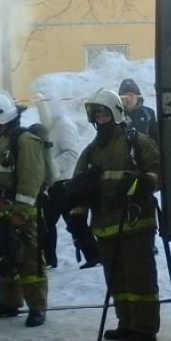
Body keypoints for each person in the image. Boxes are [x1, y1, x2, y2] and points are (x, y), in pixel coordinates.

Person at [67, 88, 162, 341]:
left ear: (115, 113)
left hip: (135, 223)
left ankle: (144, 330)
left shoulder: (137, 142)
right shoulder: (91, 151)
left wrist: (145, 182)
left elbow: (160, 172)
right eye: (95, 113)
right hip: (105, 227)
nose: (99, 116)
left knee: (139, 278)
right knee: (117, 280)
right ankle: (127, 323)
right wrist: (77, 217)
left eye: (104, 112)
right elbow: (79, 188)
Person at [0, 90, 49, 327]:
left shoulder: (24, 140)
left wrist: (20, 212)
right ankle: (8, 302)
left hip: (22, 214)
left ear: (2, 115)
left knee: (29, 260)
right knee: (4, 256)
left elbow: (32, 179)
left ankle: (37, 307)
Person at [35, 93, 101, 270]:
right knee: (46, 222)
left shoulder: (64, 125)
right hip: (53, 184)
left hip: (67, 182)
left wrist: (55, 167)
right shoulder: (49, 127)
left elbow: (72, 153)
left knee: (74, 222)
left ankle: (94, 254)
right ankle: (49, 259)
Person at [117, 78, 159, 143]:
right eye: (125, 97)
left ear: (137, 96)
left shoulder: (148, 114)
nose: (129, 100)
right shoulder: (115, 114)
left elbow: (157, 138)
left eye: (131, 96)